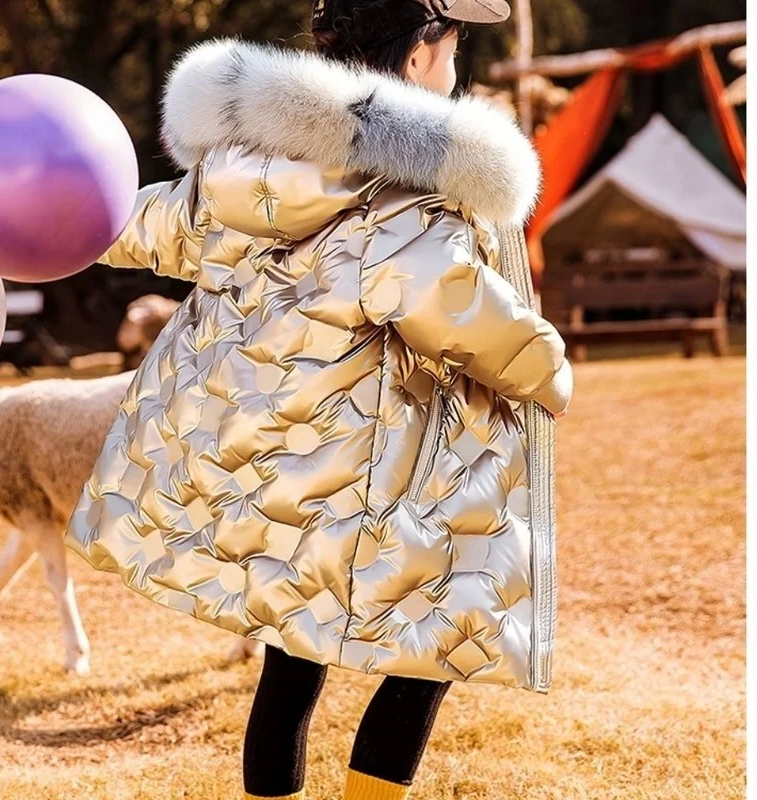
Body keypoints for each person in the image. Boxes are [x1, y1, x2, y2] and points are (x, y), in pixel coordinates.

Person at [66, 0, 573, 797]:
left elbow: (148, 224)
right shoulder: (407, 191)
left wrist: (53, 214)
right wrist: (545, 367)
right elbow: (446, 302)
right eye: (452, 51)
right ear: (417, 57)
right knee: (432, 644)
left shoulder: (237, 165)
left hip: (274, 468)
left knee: (291, 652)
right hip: (376, 467)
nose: (454, 70)